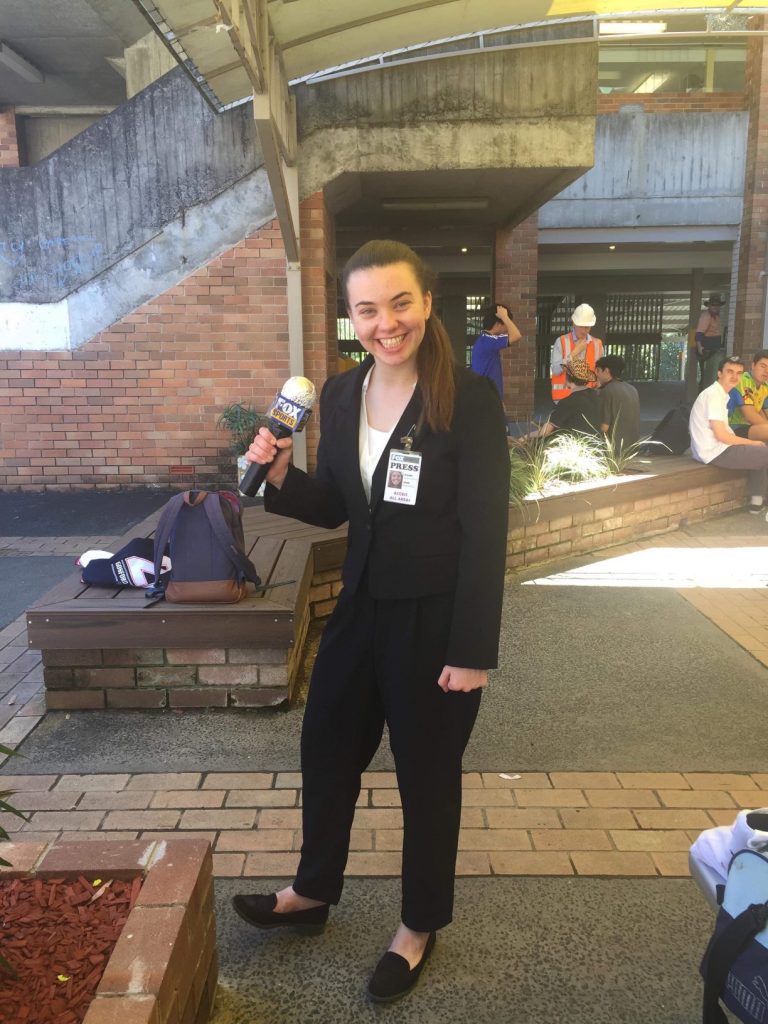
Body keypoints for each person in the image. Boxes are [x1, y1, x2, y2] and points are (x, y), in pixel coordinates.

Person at [233, 240, 510, 1003]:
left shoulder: (469, 398)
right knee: (326, 750)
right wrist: (283, 478)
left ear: (427, 304)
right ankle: (312, 894)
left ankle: (418, 927)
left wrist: (473, 650)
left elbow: (488, 531)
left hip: (435, 623)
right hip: (359, 611)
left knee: (426, 779)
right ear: (350, 318)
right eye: (367, 309)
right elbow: (338, 505)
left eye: (400, 304)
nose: (385, 323)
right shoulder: (343, 394)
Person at [689, 355, 768, 515]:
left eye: (739, 373)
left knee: (762, 452)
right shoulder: (713, 395)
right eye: (730, 372)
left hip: (717, 449)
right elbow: (721, 436)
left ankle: (757, 501)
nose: (735, 376)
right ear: (719, 373)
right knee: (763, 451)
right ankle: (757, 500)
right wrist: (751, 443)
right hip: (715, 452)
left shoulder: (721, 394)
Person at [522, 358, 601, 440]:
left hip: (574, 445)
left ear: (568, 377)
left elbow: (544, 432)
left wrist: (525, 437)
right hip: (598, 443)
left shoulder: (567, 402)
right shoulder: (598, 395)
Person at [550, 303, 604, 403]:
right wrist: (573, 353)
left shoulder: (597, 344)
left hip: (589, 399)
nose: (584, 330)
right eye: (581, 326)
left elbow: (600, 374)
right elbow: (556, 370)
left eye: (587, 327)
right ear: (574, 322)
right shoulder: (561, 342)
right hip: (564, 399)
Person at [469, 303, 522, 402]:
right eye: (506, 324)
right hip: (487, 398)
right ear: (498, 325)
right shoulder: (489, 340)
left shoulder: (484, 340)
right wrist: (505, 317)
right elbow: (516, 335)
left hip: (485, 396)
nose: (507, 329)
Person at [594, 354, 641, 454]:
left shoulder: (607, 391)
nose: (596, 374)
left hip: (614, 450)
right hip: (631, 449)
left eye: (598, 370)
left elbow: (604, 427)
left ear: (606, 371)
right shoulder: (632, 389)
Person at [728, 349, 768, 442]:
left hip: (750, 428)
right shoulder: (744, 380)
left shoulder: (765, 387)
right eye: (763, 366)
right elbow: (749, 415)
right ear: (753, 366)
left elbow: (765, 412)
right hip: (731, 428)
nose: (766, 371)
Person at [696, 294, 726, 392]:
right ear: (709, 306)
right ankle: (703, 395)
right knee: (707, 375)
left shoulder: (716, 316)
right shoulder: (706, 316)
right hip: (707, 349)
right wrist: (700, 347)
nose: (715, 307)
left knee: (712, 374)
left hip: (714, 348)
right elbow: (699, 333)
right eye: (713, 305)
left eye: (717, 305)